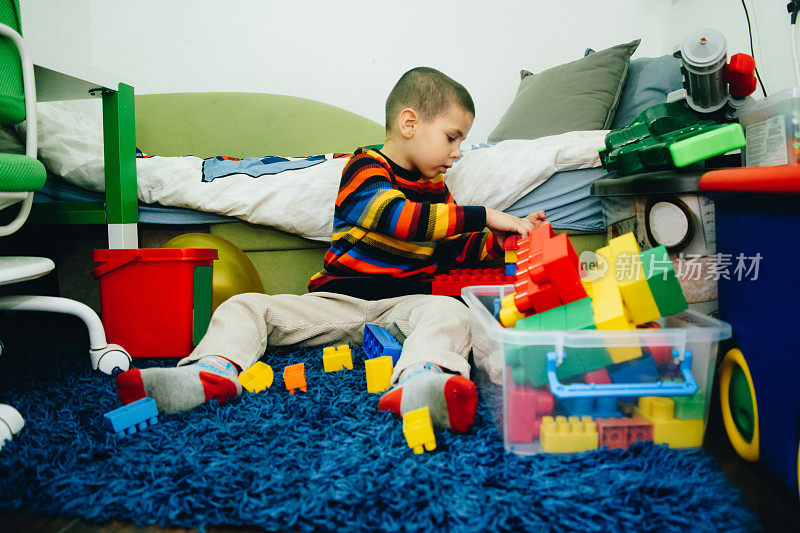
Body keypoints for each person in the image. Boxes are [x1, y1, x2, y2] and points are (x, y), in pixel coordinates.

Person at [115, 66, 546, 434]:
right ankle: (211, 371)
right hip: (338, 301)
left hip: (405, 305)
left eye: (461, 142)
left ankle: (422, 380)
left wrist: (504, 242)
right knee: (246, 305)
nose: (457, 153)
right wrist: (485, 214)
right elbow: (396, 218)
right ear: (410, 123)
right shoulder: (365, 167)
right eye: (452, 138)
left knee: (452, 314)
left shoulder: (439, 192)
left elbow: (457, 248)